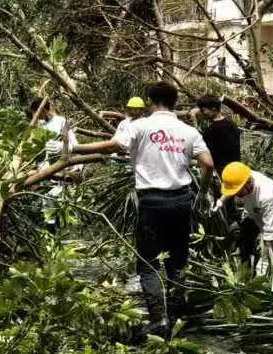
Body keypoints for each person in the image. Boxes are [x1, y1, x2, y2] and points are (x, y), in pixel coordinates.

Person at [81, 81, 214, 337]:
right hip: (181, 201)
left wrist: (73, 148)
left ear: (150, 102)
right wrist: (204, 193)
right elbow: (207, 164)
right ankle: (177, 316)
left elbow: (112, 146)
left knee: (148, 263)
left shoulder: (141, 126)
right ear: (175, 103)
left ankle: (158, 319)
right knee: (177, 261)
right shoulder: (188, 131)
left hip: (152, 201)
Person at [220, 161, 273, 271]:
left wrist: (264, 259)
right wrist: (220, 201)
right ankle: (245, 261)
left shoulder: (266, 195)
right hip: (256, 211)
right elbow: (231, 188)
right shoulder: (243, 175)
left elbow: (270, 231)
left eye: (238, 191)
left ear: (248, 182)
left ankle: (266, 262)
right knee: (246, 237)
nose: (236, 194)